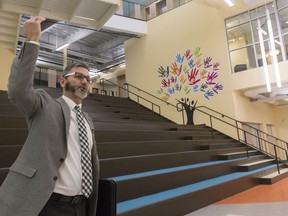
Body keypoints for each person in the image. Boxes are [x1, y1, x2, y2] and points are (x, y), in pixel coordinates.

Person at [0, 16, 99, 216]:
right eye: (78, 76)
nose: (84, 82)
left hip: (80, 206)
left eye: (88, 79)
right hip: (47, 204)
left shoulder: (88, 120)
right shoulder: (45, 105)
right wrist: (32, 41)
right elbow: (18, 90)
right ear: (62, 81)